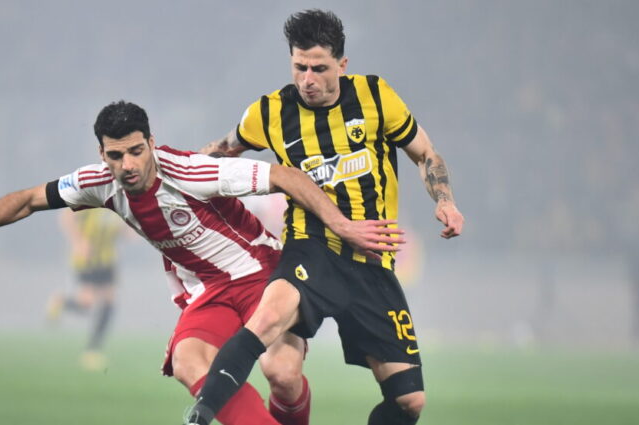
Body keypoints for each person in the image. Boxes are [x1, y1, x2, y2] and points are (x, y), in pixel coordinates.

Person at [0, 101, 399, 425]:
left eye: (135, 151)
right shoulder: (98, 182)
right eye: (115, 155)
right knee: (189, 361)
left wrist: (340, 224)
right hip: (209, 290)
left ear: (150, 142)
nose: (127, 164)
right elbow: (27, 199)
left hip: (260, 272)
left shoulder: (191, 171)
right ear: (102, 154)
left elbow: (285, 176)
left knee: (284, 375)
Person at [185, 10, 464, 425]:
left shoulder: (375, 96)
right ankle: (200, 416)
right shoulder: (270, 111)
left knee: (410, 402)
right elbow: (222, 151)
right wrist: (172, 171)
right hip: (311, 248)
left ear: (342, 64)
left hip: (372, 261)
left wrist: (445, 201)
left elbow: (425, 153)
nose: (307, 79)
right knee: (268, 327)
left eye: (319, 68)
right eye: (299, 67)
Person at [46, 207, 124, 370]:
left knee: (109, 302)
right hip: (87, 258)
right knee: (87, 302)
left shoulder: (117, 201)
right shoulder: (90, 198)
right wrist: (78, 242)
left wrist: (127, 231)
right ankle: (60, 302)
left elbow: (120, 226)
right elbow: (66, 216)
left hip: (108, 259)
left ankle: (93, 350)